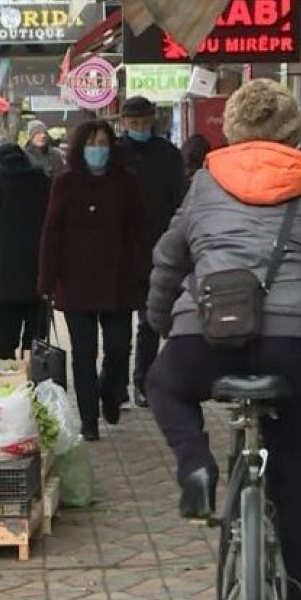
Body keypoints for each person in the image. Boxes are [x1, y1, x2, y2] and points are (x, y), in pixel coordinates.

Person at [145, 79, 301, 600]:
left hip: (207, 336)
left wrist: (163, 324)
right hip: (295, 344)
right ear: (294, 132)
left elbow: (167, 260)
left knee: (164, 384)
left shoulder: (205, 183)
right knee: (297, 477)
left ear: (231, 129)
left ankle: (196, 465)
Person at [38, 119, 151, 441]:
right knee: (83, 354)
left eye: (103, 144)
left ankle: (110, 392)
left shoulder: (126, 182)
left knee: (118, 349)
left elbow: (141, 230)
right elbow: (51, 232)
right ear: (79, 148)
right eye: (91, 144)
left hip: (119, 279)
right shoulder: (66, 182)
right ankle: (88, 419)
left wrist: (144, 269)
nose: (97, 150)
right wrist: (46, 279)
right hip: (76, 282)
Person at [120, 95, 189, 408]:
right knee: (121, 323)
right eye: (134, 123)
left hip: (161, 247)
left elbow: (181, 200)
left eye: (145, 122)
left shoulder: (168, 154)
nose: (140, 128)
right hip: (123, 250)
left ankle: (145, 381)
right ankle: (120, 383)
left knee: (153, 319)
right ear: (124, 123)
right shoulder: (115, 154)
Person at [0, 144, 51, 361]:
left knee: (6, 330)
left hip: (5, 268)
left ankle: (8, 369)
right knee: (35, 333)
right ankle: (33, 371)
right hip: (37, 266)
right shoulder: (41, 181)